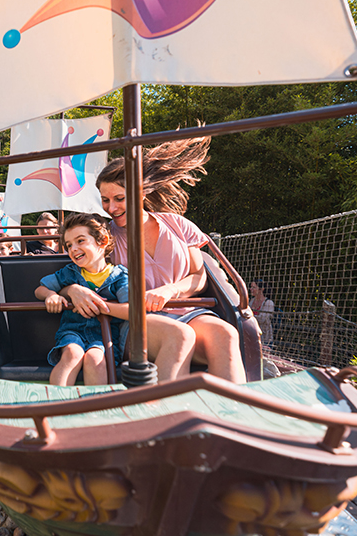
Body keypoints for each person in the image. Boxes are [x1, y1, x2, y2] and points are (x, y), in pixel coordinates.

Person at [64, 137, 246, 384]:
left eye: (119, 198)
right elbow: (73, 272)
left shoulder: (177, 224)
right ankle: (161, 415)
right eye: (105, 200)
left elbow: (198, 277)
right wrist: (72, 289)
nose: (111, 208)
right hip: (137, 321)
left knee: (225, 333)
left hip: (187, 311)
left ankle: (232, 413)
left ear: (141, 192)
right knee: (179, 336)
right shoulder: (104, 238)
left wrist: (170, 290)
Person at [35, 213, 128, 386]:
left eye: (80, 241)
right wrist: (51, 295)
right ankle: (56, 404)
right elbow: (40, 289)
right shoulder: (70, 273)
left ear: (102, 241)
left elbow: (131, 310)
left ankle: (95, 408)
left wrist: (98, 306)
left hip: (104, 335)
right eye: (69, 245)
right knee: (72, 353)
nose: (73, 249)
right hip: (73, 331)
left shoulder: (119, 276)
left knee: (95, 359)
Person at [249, 279, 275, 348]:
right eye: (251, 287)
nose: (251, 289)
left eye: (254, 287)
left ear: (261, 289)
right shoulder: (251, 301)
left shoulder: (269, 303)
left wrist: (249, 316)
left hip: (265, 338)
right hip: (252, 336)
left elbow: (262, 319)